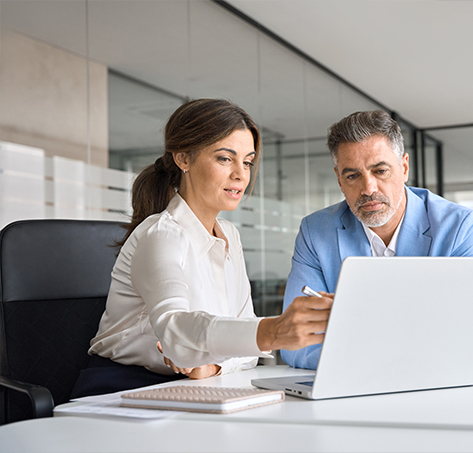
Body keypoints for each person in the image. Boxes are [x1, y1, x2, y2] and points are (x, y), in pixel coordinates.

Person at [72, 99, 332, 398]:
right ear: (183, 158)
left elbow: (247, 352)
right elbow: (174, 330)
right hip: (120, 389)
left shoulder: (229, 235)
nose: (241, 174)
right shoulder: (161, 234)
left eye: (247, 161)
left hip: (195, 386)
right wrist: (271, 332)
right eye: (225, 158)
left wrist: (214, 367)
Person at [281, 110, 473, 370]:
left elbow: (470, 330)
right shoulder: (316, 232)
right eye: (352, 176)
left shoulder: (459, 227)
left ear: (403, 168)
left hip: (435, 384)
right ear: (339, 179)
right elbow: (295, 341)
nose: (368, 189)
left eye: (380, 170)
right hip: (347, 388)